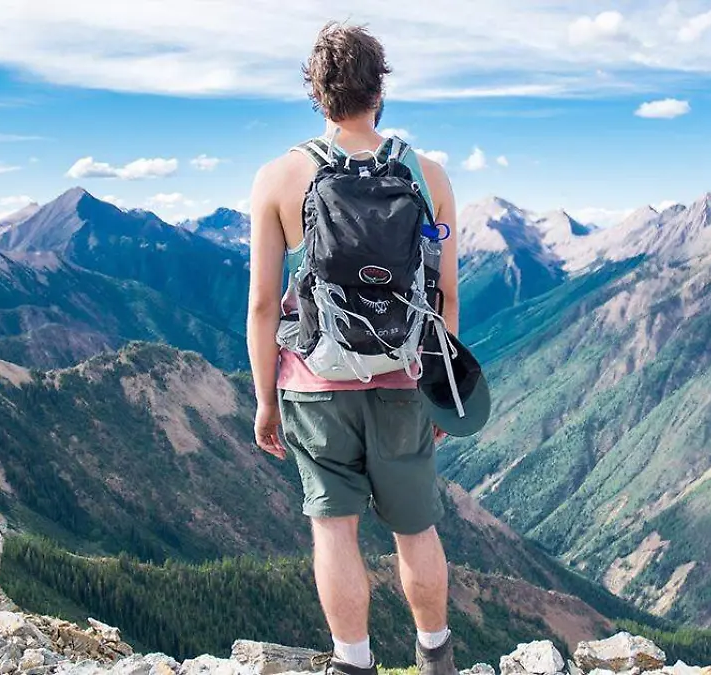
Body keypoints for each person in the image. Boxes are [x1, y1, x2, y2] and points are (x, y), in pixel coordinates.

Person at [245, 20, 460, 675]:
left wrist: (265, 401)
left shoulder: (280, 177)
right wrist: (444, 390)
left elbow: (260, 305)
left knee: (334, 529)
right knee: (415, 528)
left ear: (317, 92)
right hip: (404, 378)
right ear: (380, 86)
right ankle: (435, 657)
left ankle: (353, 663)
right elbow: (446, 296)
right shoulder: (426, 176)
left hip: (314, 383)